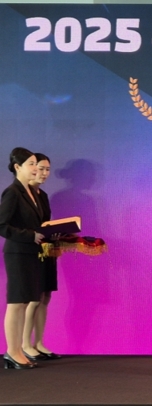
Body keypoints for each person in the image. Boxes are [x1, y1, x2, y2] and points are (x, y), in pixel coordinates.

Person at [0, 148, 44, 370]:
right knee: (16, 303)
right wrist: (29, 235)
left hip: (30, 253)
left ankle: (16, 350)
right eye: (31, 164)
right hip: (17, 253)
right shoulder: (13, 192)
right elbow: (2, 225)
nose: (36, 168)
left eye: (36, 163)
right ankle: (12, 351)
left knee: (24, 301)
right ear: (18, 167)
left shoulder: (32, 192)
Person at [22, 153, 61, 361]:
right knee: (33, 298)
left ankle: (39, 342)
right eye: (40, 168)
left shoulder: (43, 195)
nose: (44, 173)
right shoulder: (21, 194)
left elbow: (45, 223)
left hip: (46, 249)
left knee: (45, 296)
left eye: (47, 169)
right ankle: (24, 344)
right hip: (29, 251)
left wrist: (54, 233)